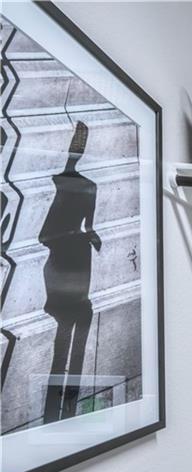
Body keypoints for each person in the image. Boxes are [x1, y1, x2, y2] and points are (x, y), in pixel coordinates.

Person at [38, 120, 100, 423]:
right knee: (69, 339)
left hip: (68, 258)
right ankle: (67, 407)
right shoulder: (85, 186)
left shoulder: (72, 185)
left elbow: (47, 235)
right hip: (74, 256)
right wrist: (88, 236)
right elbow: (88, 228)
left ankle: (61, 407)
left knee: (65, 341)